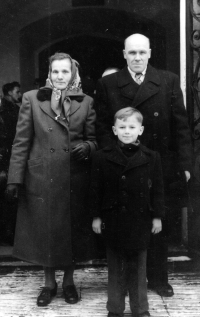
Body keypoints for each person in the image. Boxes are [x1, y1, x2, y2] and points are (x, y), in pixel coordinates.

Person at [94, 33, 193, 297]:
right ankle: (127, 282)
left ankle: (159, 279)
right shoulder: (109, 84)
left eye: (142, 52)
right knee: (124, 225)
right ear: (124, 55)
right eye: (132, 53)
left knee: (158, 223)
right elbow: (102, 127)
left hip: (158, 165)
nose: (137, 57)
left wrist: (185, 164)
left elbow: (181, 126)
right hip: (122, 166)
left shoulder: (168, 80)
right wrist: (111, 159)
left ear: (149, 53)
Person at [5, 52, 97, 306]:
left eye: (65, 72)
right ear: (49, 73)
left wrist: (88, 147)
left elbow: (94, 138)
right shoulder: (32, 99)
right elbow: (22, 140)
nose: (59, 76)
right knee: (45, 231)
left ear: (72, 74)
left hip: (73, 175)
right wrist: (15, 177)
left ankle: (68, 282)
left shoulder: (86, 102)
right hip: (42, 176)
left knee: (69, 232)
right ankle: (48, 283)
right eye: (55, 71)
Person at [89, 107, 164, 317]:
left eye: (132, 127)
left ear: (141, 130)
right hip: (114, 220)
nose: (127, 131)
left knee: (139, 268)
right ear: (114, 130)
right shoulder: (102, 157)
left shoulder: (152, 157)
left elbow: (158, 189)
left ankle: (140, 309)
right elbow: (95, 189)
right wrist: (96, 216)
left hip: (140, 219)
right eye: (122, 127)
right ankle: (115, 309)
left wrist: (157, 216)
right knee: (115, 268)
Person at [0, 82, 21, 244]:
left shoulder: (12, 108)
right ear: (8, 92)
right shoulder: (8, 110)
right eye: (17, 92)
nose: (19, 95)